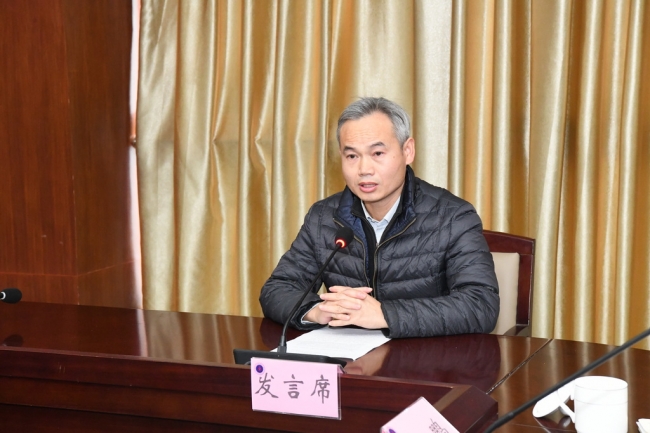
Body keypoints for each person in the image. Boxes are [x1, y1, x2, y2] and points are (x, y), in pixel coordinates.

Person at [259, 97, 499, 338]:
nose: (364, 169)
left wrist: (385, 314)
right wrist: (317, 310)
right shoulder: (324, 218)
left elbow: (481, 305)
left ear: (407, 151)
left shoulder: (453, 217)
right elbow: (276, 289)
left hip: (427, 357)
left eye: (377, 153)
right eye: (352, 156)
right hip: (350, 357)